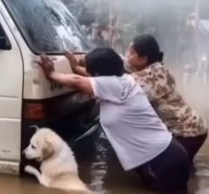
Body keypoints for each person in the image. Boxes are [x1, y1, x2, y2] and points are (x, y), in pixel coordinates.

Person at [38, 48, 190, 194]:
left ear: (98, 74)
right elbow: (91, 78)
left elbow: (78, 81)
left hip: (163, 162)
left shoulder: (112, 85)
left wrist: (51, 73)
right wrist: (77, 67)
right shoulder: (123, 81)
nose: (89, 76)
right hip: (168, 155)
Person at [126, 35, 207, 165]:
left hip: (186, 133)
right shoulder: (159, 68)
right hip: (195, 128)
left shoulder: (149, 77)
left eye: (131, 52)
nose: (127, 56)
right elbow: (122, 68)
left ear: (143, 59)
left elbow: (116, 85)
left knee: (169, 170)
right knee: (184, 167)